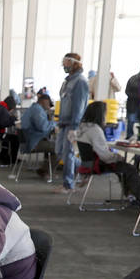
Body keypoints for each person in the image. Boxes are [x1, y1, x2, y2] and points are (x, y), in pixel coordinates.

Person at [76, 101, 140, 204]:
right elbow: (105, 156)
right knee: (129, 169)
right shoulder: (95, 130)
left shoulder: (82, 127)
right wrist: (118, 157)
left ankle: (131, 195)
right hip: (97, 165)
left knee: (123, 168)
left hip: (87, 164)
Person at [57, 52, 90, 193]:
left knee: (68, 154)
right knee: (60, 152)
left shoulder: (80, 82)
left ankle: (68, 185)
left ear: (73, 63)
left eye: (66, 62)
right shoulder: (67, 81)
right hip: (64, 122)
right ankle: (84, 170)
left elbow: (79, 105)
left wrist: (75, 126)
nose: (63, 65)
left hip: (72, 124)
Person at [20, 93, 55, 177]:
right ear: (44, 101)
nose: (49, 106)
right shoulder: (38, 110)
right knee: (59, 147)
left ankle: (45, 170)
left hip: (26, 142)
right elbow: (43, 127)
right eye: (48, 104)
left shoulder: (32, 108)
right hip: (33, 143)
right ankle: (45, 171)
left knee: (50, 144)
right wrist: (53, 123)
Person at [125, 63, 140, 139]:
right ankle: (129, 136)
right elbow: (127, 91)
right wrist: (137, 96)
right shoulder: (133, 78)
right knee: (131, 121)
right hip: (133, 104)